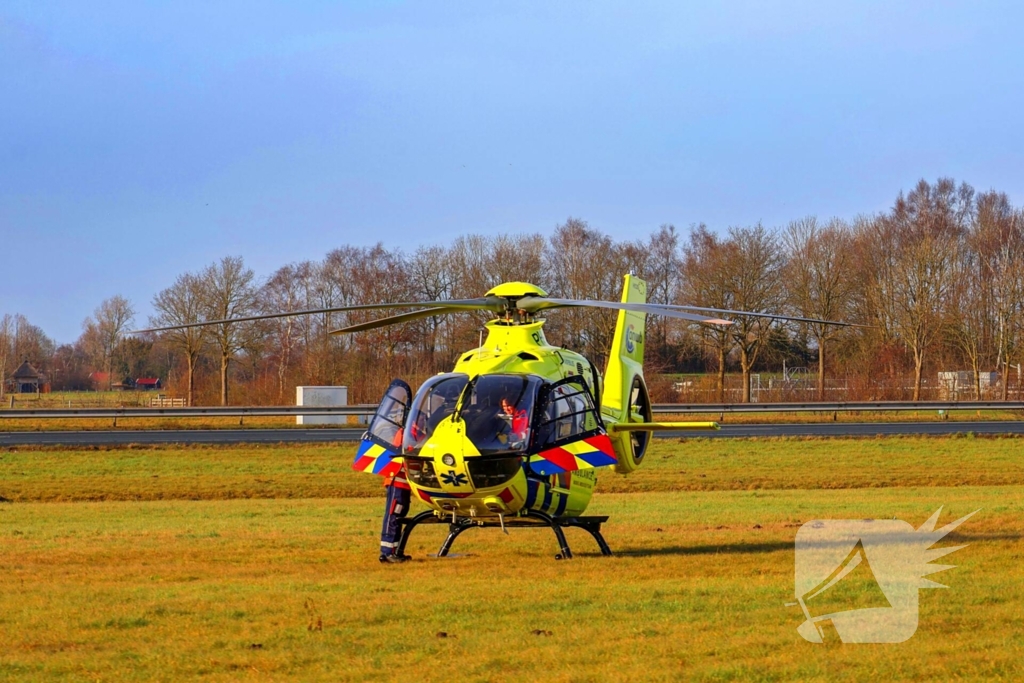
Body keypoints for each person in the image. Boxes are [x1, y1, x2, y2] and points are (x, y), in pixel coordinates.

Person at [379, 429, 411, 564]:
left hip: (404, 484)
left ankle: (396, 551)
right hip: (397, 481)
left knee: (399, 516)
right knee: (393, 515)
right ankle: (387, 552)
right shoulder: (406, 432)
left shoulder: (415, 429)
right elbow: (405, 449)